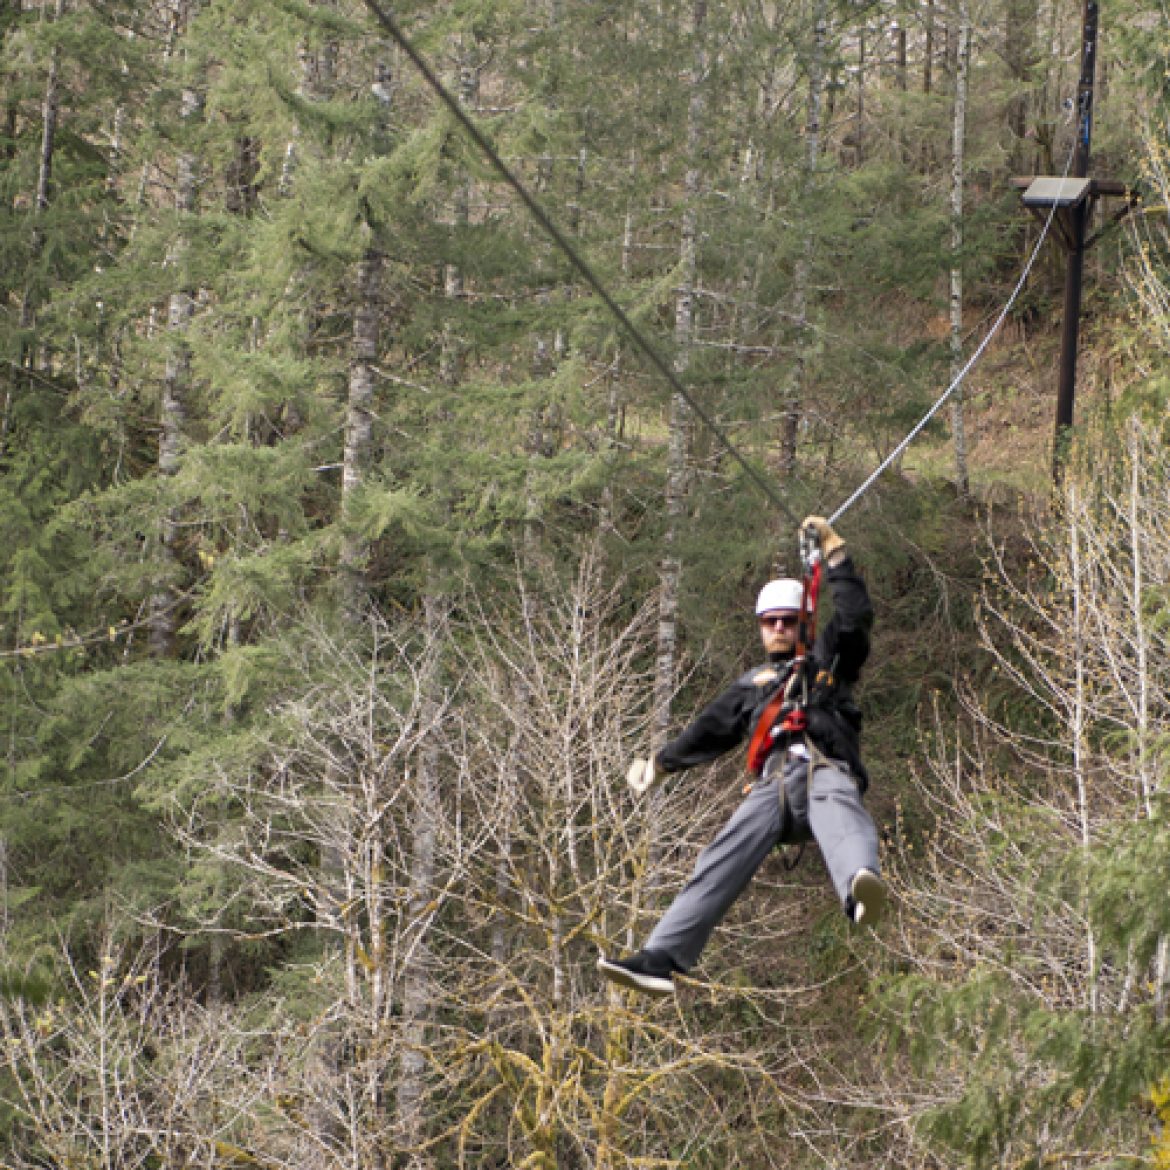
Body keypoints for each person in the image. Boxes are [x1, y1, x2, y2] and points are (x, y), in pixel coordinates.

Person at [599, 515, 886, 997]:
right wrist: (662, 763)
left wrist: (836, 556)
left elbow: (855, 617)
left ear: (803, 624)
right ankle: (661, 958)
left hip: (822, 767)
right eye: (769, 622)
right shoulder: (752, 687)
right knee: (719, 857)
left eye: (787, 621)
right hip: (772, 786)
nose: (777, 629)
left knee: (837, 806)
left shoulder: (828, 662)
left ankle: (860, 886)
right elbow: (708, 731)